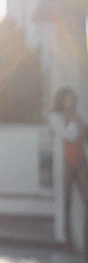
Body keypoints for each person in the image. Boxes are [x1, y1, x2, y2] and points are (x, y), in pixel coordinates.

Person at [49, 87, 88, 252]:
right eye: (69, 98)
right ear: (62, 100)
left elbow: (82, 139)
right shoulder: (55, 117)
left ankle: (85, 240)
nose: (72, 101)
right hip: (65, 162)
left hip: (80, 161)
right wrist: (73, 121)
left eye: (74, 98)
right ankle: (66, 240)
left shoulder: (78, 117)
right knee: (66, 202)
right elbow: (68, 135)